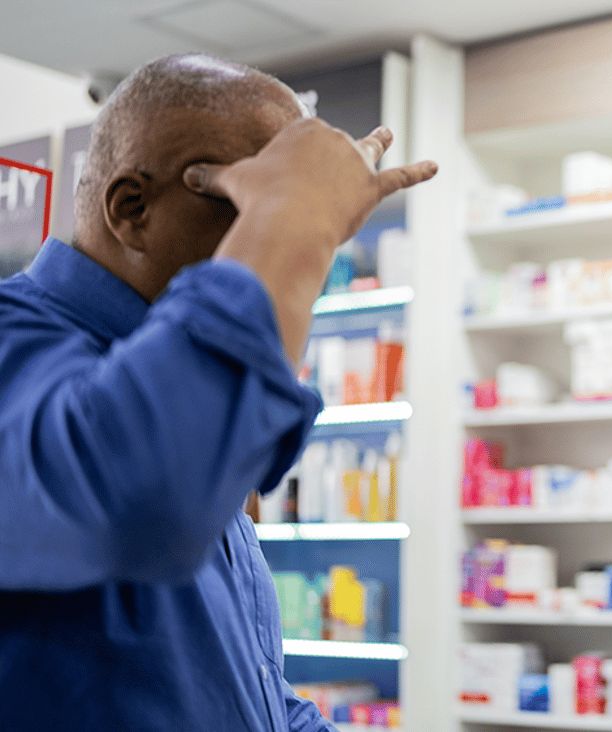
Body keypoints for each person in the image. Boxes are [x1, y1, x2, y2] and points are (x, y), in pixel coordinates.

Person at [0, 53, 436, 730]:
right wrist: (295, 218)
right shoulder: (21, 347)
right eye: (257, 203)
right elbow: (144, 497)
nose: (299, 255)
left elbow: (240, 690)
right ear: (132, 209)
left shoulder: (189, 391)